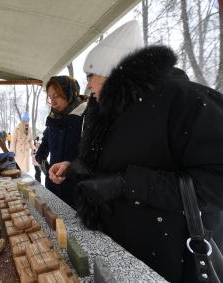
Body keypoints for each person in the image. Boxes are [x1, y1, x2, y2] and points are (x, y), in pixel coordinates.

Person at [49, 20, 223, 282]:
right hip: (117, 248)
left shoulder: (185, 101)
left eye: (90, 77)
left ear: (112, 72)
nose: (88, 88)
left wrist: (127, 184)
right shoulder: (109, 107)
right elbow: (113, 158)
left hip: (168, 259)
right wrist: (75, 167)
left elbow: (215, 184)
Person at [35, 76, 86, 209]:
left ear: (70, 92)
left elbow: (92, 160)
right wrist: (48, 172)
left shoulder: (86, 117)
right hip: (53, 190)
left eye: (56, 96)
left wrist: (70, 169)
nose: (53, 102)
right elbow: (41, 153)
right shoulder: (53, 119)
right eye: (50, 97)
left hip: (78, 193)